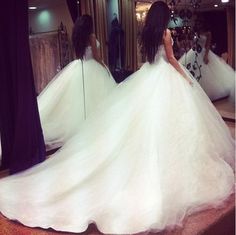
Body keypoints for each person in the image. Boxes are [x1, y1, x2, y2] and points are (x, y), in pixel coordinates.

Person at [0, 2, 234, 234]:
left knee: (143, 124)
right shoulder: (165, 33)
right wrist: (187, 79)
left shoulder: (149, 33)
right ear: (164, 16)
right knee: (169, 124)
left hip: (148, 76)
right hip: (164, 77)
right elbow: (172, 60)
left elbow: (151, 58)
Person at [38, 15, 116, 150]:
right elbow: (97, 56)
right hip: (93, 66)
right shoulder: (91, 36)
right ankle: (97, 124)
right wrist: (104, 66)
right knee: (97, 96)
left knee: (81, 98)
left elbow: (78, 55)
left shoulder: (77, 37)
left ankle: (82, 124)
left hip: (80, 66)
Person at [179, 19, 235, 102]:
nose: (198, 25)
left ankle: (204, 92)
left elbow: (208, 45)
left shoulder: (208, 33)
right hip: (194, 51)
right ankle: (192, 89)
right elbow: (193, 43)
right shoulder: (196, 32)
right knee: (192, 69)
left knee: (204, 72)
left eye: (199, 23)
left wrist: (206, 55)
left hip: (203, 51)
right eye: (197, 23)